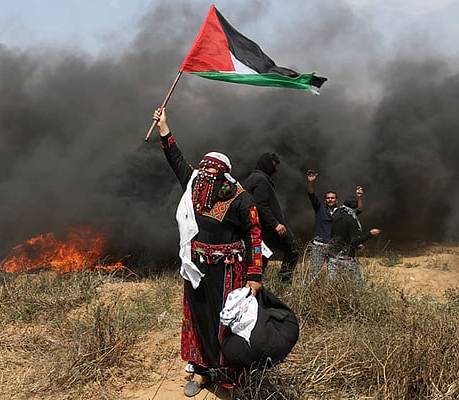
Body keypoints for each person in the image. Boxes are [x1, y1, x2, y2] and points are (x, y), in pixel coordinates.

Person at [152, 108, 263, 397]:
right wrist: (164, 128)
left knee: (227, 321)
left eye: (212, 170)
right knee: (199, 317)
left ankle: (230, 377)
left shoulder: (241, 199)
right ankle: (202, 371)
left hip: (230, 271)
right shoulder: (194, 185)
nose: (206, 174)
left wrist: (254, 275)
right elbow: (176, 161)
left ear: (225, 174)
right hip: (197, 268)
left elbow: (254, 235)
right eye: (204, 169)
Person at [243, 153, 298, 282]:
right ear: (266, 164)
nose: (275, 169)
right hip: (266, 228)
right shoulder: (260, 179)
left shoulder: (253, 178)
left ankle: (256, 283)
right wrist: (275, 224)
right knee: (292, 248)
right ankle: (284, 281)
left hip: (259, 229)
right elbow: (261, 206)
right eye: (273, 165)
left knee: (262, 257)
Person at [306, 170, 365, 276]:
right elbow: (311, 195)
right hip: (319, 246)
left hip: (334, 248)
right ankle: (312, 291)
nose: (330, 200)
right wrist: (310, 182)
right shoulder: (319, 208)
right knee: (314, 273)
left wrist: (359, 197)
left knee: (333, 274)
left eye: (332, 198)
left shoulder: (341, 212)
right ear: (325, 200)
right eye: (328, 198)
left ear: (337, 200)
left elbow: (358, 210)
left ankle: (332, 292)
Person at [327, 195, 380, 282]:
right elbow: (354, 242)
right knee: (357, 285)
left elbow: (338, 237)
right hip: (346, 259)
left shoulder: (336, 218)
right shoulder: (351, 220)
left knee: (333, 286)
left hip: (333, 258)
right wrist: (370, 234)